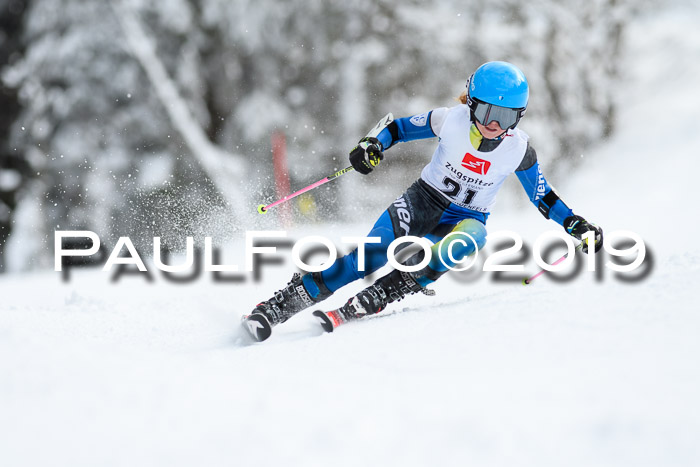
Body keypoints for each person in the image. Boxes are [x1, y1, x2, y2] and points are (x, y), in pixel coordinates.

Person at [243, 61, 603, 341]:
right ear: (472, 104)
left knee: (471, 239)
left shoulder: (518, 149)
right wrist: (372, 146)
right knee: (367, 258)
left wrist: (575, 224)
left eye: (506, 116)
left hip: (466, 217)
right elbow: (397, 128)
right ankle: (278, 307)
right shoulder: (452, 120)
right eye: (487, 113)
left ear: (519, 116)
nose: (494, 124)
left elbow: (543, 196)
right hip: (422, 200)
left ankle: (390, 289)